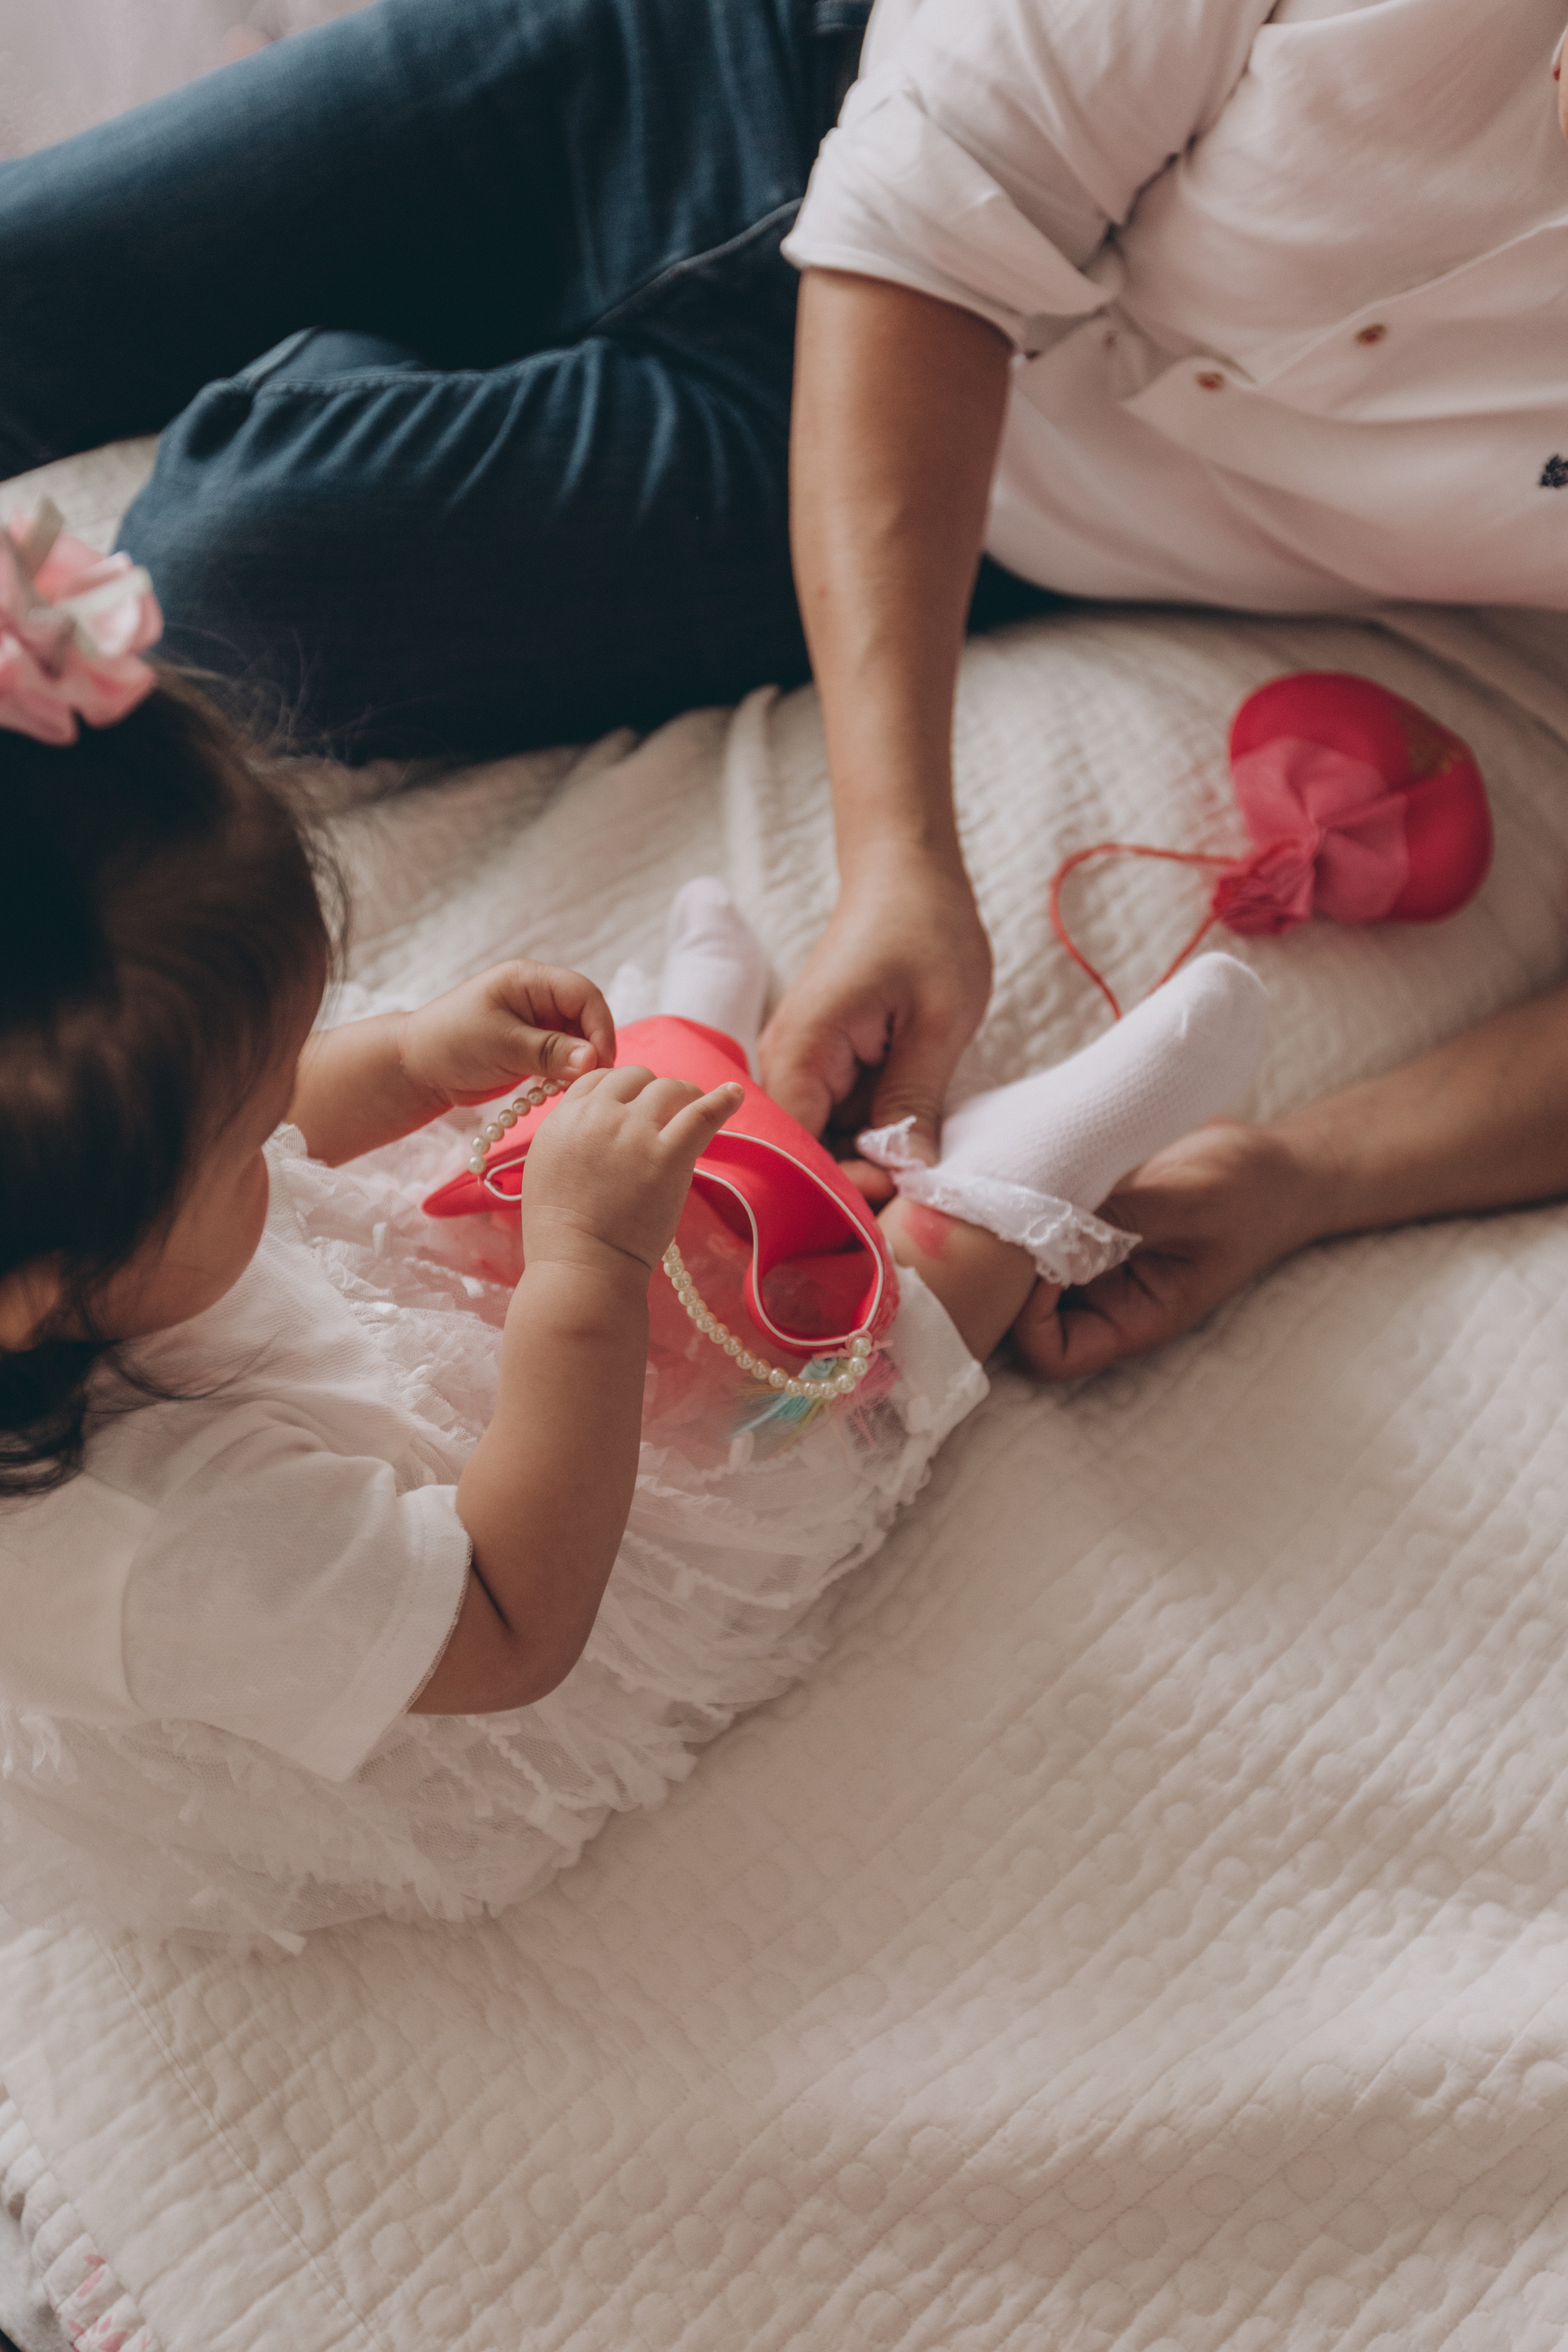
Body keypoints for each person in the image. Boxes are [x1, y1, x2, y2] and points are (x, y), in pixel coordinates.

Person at [4, 0, 1566, 1381]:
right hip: (743, 72)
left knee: (225, 582)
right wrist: (899, 854)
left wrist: (1304, 1176)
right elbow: (925, 227)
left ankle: (371, 364)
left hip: (986, 503)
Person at [0, 524, 1264, 1946]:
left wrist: (414, 1060)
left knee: (549, 1151)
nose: (285, 1134)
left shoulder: (77, 1210)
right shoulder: (153, 1549)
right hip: (469, 1616)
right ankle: (993, 1216)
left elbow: (277, 1118)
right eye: (247, 1143)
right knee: (777, 1441)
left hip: (283, 1404)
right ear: (39, 1286)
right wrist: (581, 1275)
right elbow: (512, 1625)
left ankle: (697, 1047)